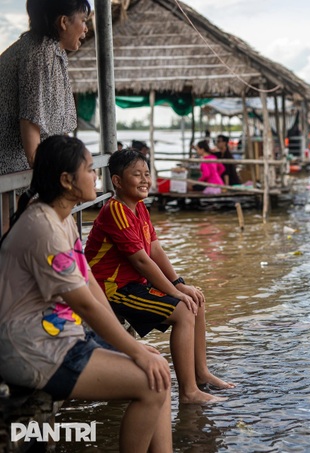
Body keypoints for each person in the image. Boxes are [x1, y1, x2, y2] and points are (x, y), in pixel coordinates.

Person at [0, 136, 172, 452]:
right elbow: (84, 304)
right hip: (33, 350)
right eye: (90, 169)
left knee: (157, 367)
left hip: (61, 337)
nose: (96, 176)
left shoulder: (59, 219)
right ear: (67, 180)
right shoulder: (44, 228)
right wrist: (134, 349)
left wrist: (135, 348)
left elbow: (90, 281)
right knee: (153, 382)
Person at [84, 149, 235, 404]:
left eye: (147, 174)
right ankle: (188, 392)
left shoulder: (139, 208)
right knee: (184, 310)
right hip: (111, 289)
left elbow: (155, 249)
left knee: (196, 298)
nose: (145, 180)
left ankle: (202, 374)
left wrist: (179, 284)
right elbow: (141, 260)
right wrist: (175, 293)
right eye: (137, 175)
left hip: (133, 284)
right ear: (118, 181)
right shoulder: (116, 211)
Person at [0, 0, 90, 232]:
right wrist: (46, 175)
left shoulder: (48, 50)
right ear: (63, 22)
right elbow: (31, 121)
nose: (86, 29)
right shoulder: (40, 53)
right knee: (12, 238)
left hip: (17, 176)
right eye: (84, 21)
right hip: (10, 174)